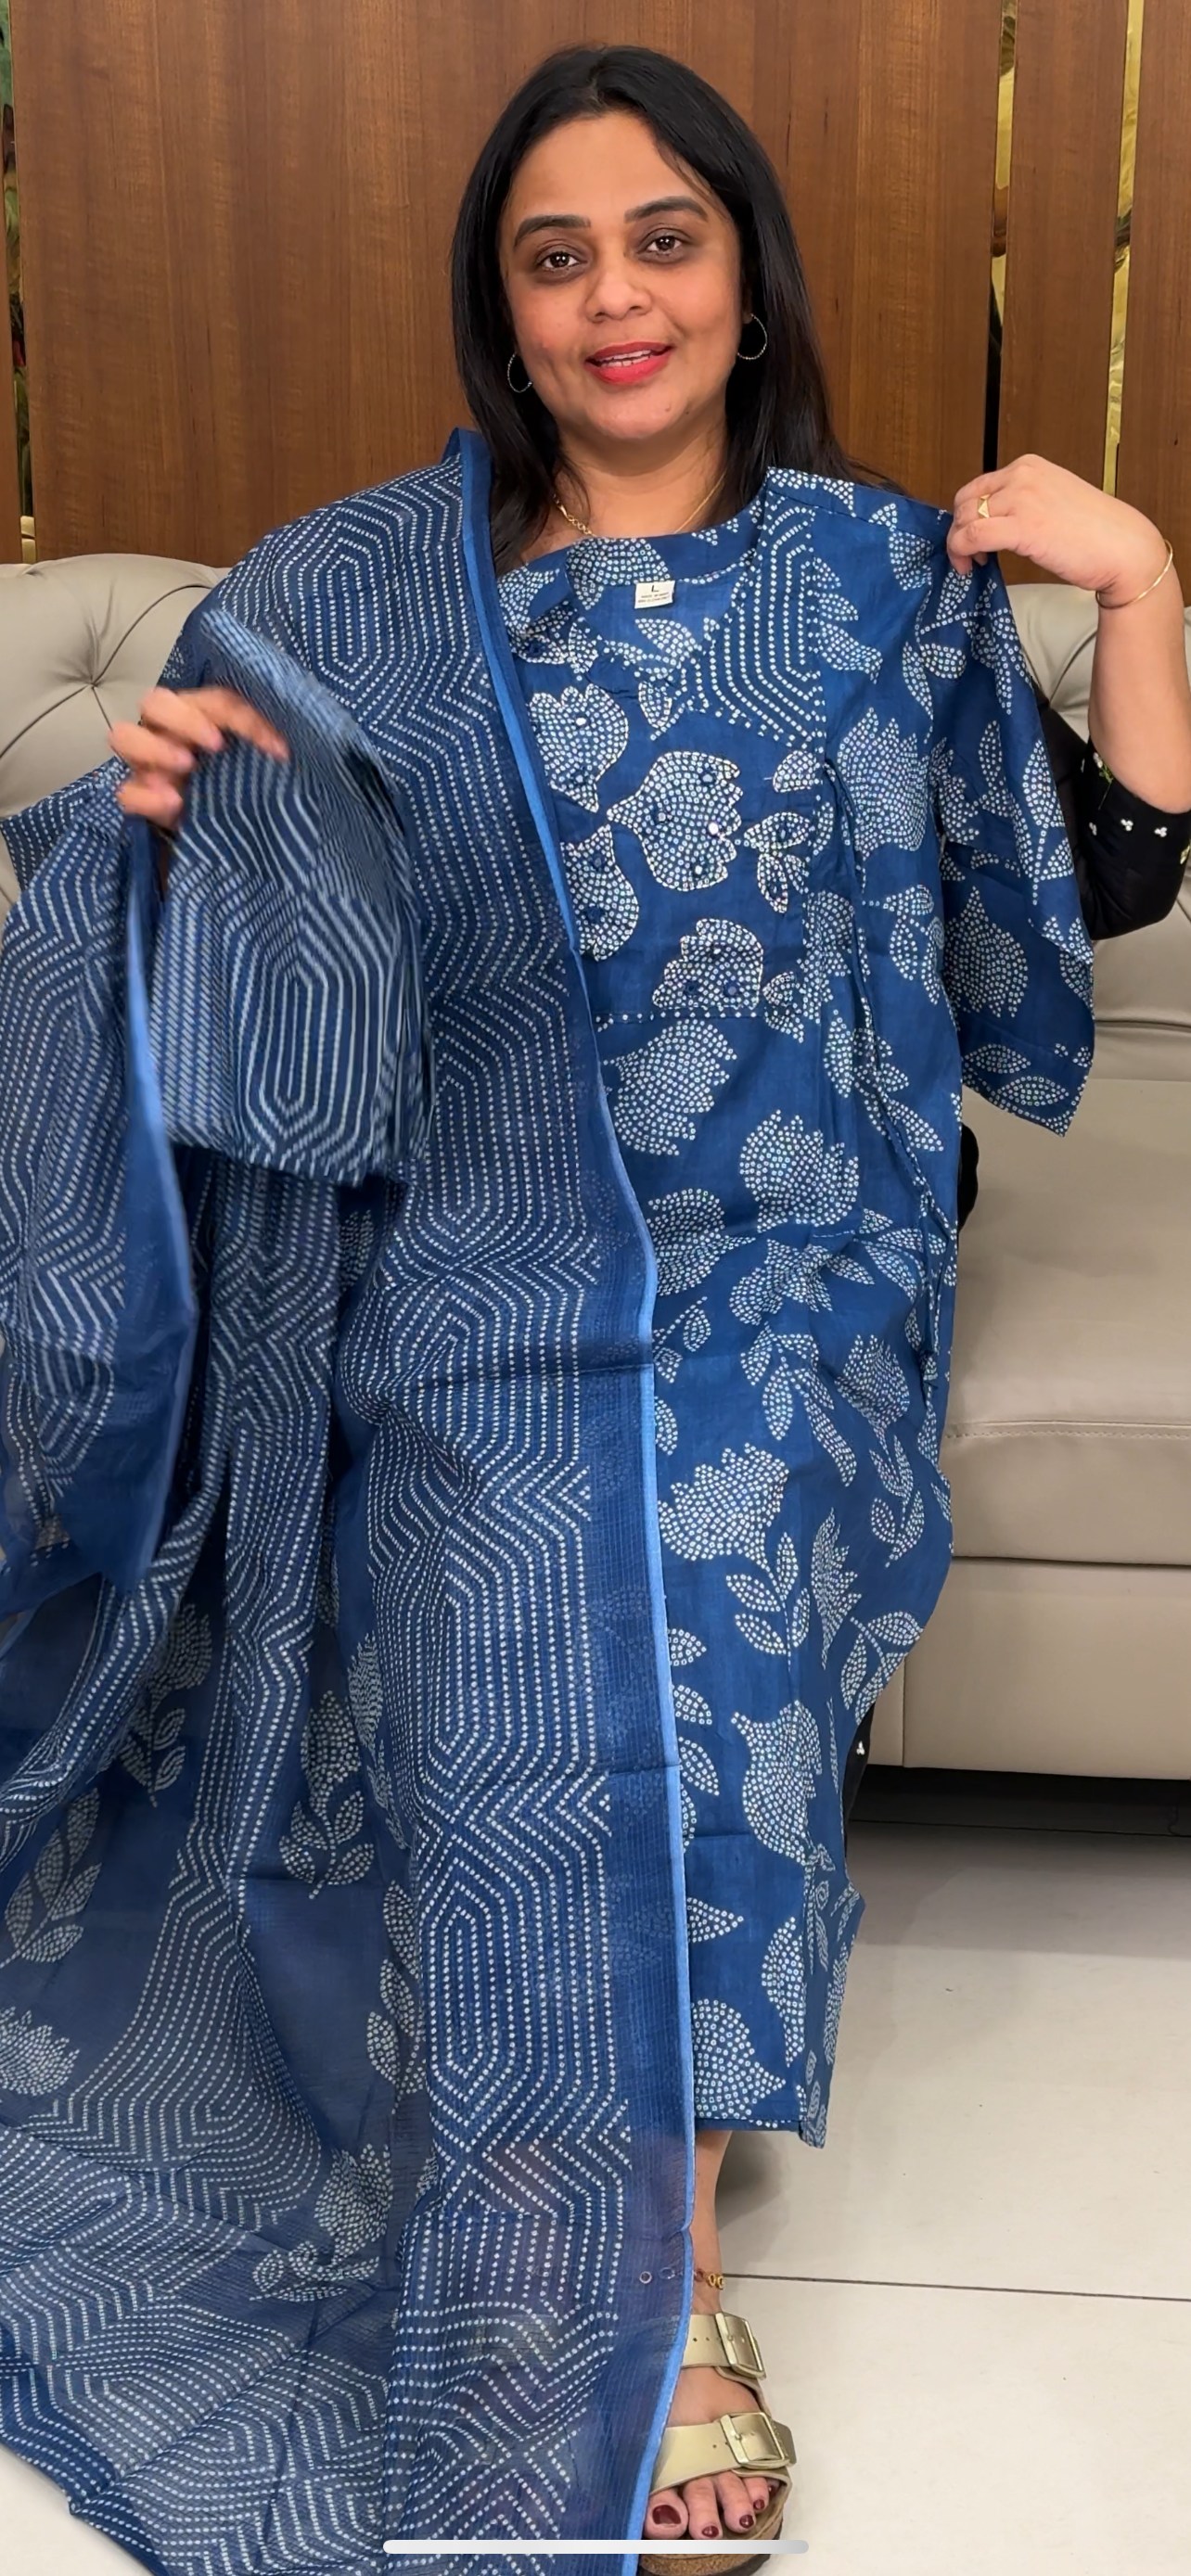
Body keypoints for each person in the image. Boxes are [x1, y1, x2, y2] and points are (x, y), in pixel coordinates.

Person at [1, 45, 1188, 2576]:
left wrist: (1139, 589)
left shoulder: (877, 579)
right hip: (482, 1237)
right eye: (557, 259)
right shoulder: (367, 603)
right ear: (503, 307)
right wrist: (163, 816)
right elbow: (229, 935)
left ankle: (658, 2271)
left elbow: (1089, 895)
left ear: (745, 273)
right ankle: (588, 2218)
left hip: (794, 1247)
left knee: (700, 1536)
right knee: (508, 1535)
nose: (613, 300)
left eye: (663, 241)